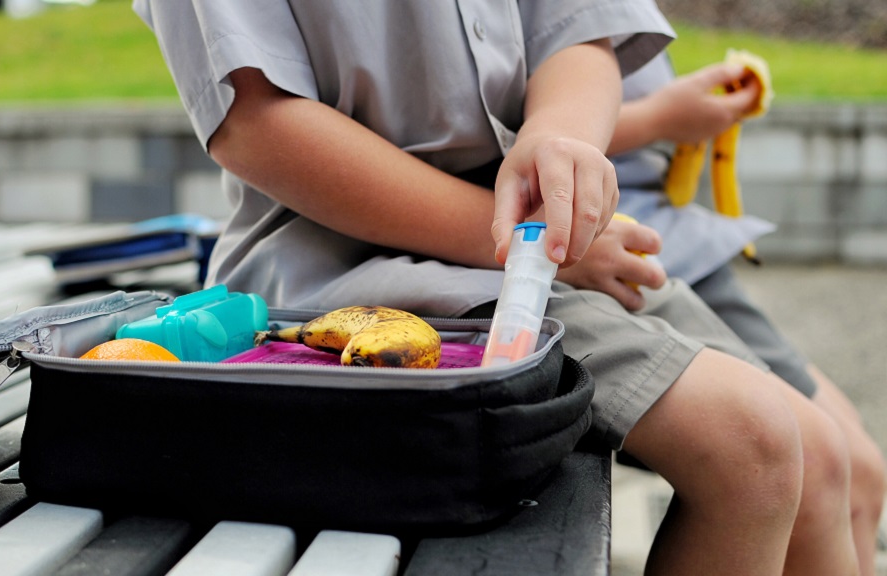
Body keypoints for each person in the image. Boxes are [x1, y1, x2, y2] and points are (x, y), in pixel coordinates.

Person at [133, 2, 860, 573]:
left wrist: (560, 139)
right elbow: (257, 125)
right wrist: (519, 234)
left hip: (549, 243)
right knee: (752, 447)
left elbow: (578, 35)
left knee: (826, 460)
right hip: (353, 273)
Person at [607, 51, 887, 575]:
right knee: (813, 470)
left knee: (859, 474)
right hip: (620, 254)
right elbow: (499, 142)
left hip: (672, 243)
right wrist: (661, 119)